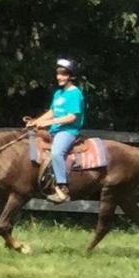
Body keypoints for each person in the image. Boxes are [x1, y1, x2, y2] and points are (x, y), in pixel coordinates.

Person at [28, 55, 85, 203]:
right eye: (58, 73)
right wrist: (36, 121)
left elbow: (71, 117)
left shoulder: (75, 93)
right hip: (55, 129)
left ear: (71, 76)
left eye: (63, 74)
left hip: (68, 131)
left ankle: (62, 187)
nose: (59, 76)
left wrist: (49, 122)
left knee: (57, 152)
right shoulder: (58, 93)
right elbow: (52, 111)